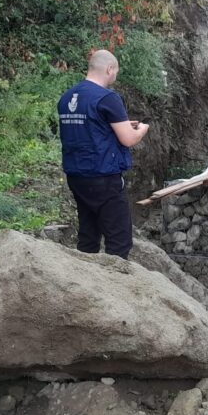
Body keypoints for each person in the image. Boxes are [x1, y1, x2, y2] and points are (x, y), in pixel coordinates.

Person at [57, 49, 149, 258]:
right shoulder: (108, 98)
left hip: (76, 177)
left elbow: (88, 128)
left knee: (88, 235)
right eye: (115, 72)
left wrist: (120, 124)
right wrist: (142, 130)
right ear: (109, 69)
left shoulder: (67, 97)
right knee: (119, 240)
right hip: (104, 178)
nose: (115, 76)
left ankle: (85, 274)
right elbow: (128, 139)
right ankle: (115, 278)